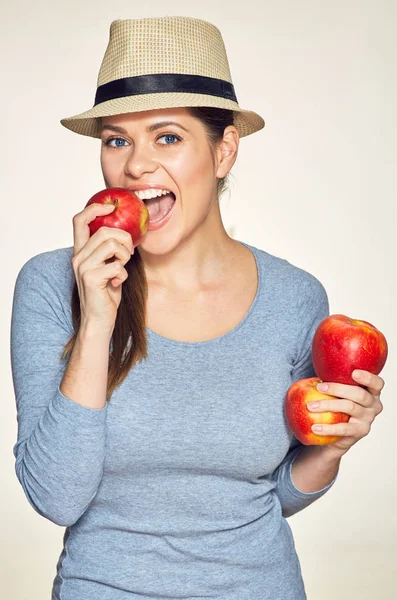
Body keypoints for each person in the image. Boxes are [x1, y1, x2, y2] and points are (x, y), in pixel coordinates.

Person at [10, 16, 385, 600]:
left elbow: (271, 494)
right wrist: (97, 320)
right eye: (117, 139)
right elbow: (57, 497)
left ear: (223, 150)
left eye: (167, 137)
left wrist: (332, 449)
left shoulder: (295, 298)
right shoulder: (52, 284)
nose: (135, 166)